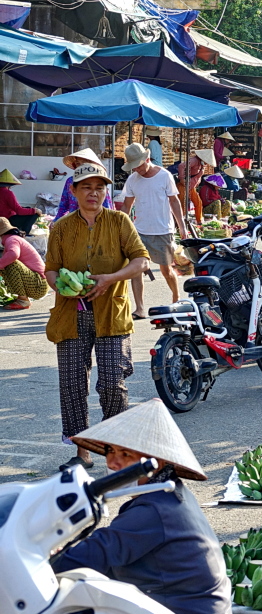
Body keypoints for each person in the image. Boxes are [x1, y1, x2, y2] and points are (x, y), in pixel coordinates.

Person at [54, 399, 232, 614]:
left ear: (155, 463)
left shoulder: (154, 510)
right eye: (111, 451)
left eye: (126, 454)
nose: (112, 461)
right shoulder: (164, 493)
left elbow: (92, 554)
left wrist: (44, 563)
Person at [45, 161, 149, 470]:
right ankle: (82, 452)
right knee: (73, 384)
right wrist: (61, 287)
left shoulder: (119, 221)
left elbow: (141, 260)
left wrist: (111, 278)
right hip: (71, 315)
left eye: (100, 187)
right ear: (74, 191)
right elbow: (50, 267)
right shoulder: (61, 227)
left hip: (111, 314)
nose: (94, 193)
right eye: (87, 187)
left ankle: (116, 445)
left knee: (112, 383)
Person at [121, 142, 188, 320]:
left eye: (138, 166)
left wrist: (181, 226)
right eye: (133, 167)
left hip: (162, 230)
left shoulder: (164, 176)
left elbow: (174, 201)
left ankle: (176, 296)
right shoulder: (133, 180)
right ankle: (140, 308)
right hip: (140, 231)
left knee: (166, 270)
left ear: (147, 159)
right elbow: (127, 206)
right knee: (136, 269)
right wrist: (120, 227)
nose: (137, 170)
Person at [0, 218, 47, 310]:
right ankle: (22, 298)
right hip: (37, 282)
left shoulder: (11, 240)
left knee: (11, 263)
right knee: (5, 265)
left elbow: (13, 254)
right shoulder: (12, 239)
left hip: (39, 284)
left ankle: (23, 300)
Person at [55, 149, 113, 220]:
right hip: (74, 223)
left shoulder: (99, 181)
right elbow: (63, 205)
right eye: (78, 163)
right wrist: (56, 221)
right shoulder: (70, 181)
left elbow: (107, 207)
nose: (81, 166)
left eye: (84, 164)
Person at [178, 149, 216, 224]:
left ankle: (199, 221)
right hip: (184, 186)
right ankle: (179, 223)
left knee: (198, 203)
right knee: (182, 204)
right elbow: (181, 166)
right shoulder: (194, 160)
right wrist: (182, 178)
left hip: (192, 187)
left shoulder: (202, 164)